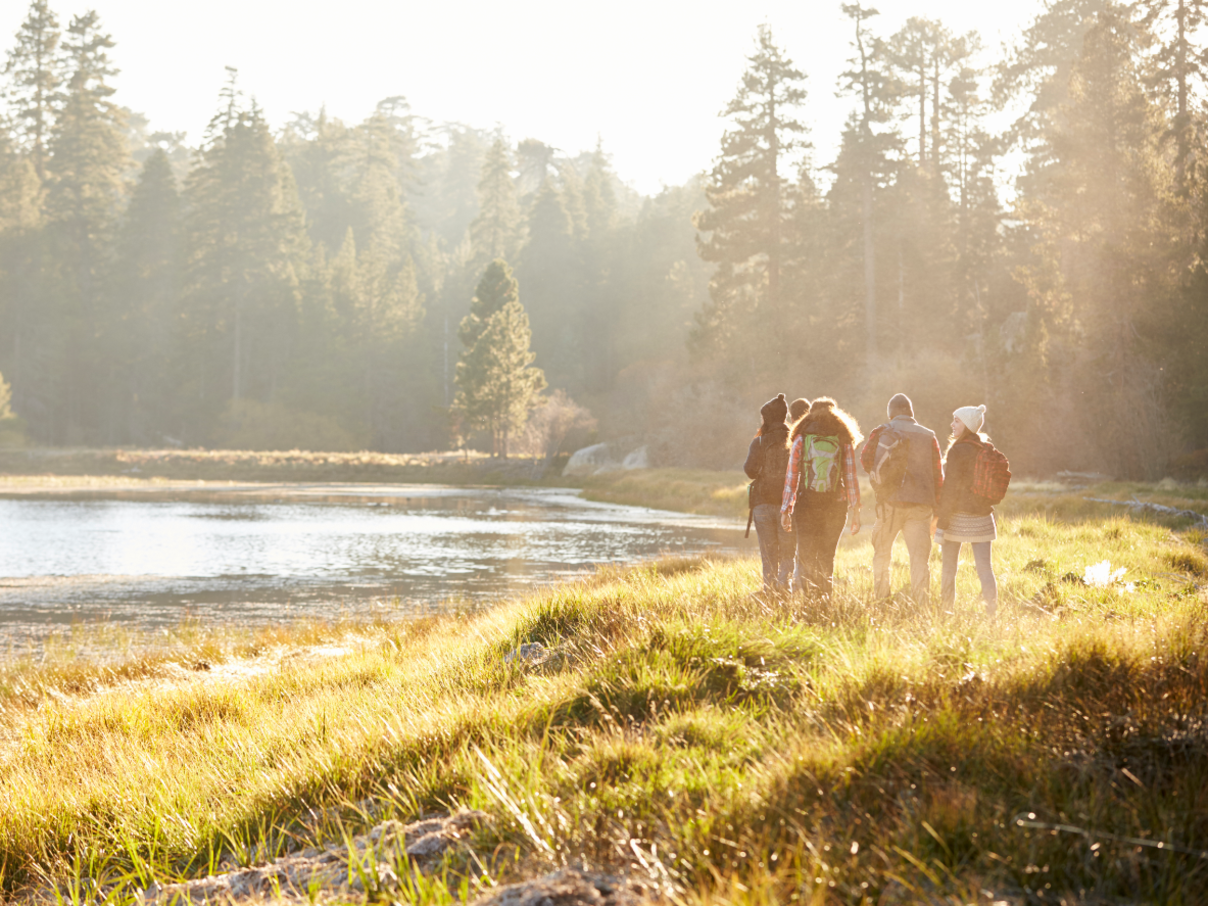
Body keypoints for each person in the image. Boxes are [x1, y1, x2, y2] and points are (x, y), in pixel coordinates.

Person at [860, 393, 943, 604]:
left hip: (890, 504)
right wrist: (938, 508)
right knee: (919, 559)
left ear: (890, 413)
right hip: (921, 507)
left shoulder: (883, 431)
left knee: (882, 553)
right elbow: (937, 474)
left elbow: (866, 460)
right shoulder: (929, 435)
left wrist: (883, 482)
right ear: (911, 412)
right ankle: (921, 606)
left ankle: (881, 601)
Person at [779, 398, 862, 599]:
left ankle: (808, 603)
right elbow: (850, 477)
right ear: (835, 414)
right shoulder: (843, 439)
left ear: (810, 414)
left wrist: (786, 509)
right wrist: (856, 511)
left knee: (806, 555)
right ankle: (824, 600)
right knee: (827, 556)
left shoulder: (801, 437)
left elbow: (792, 476)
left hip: (806, 505)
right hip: (835, 506)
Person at [936, 405, 998, 617]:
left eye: (957, 421)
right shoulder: (986, 449)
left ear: (968, 425)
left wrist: (941, 523)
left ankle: (947, 612)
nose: (952, 425)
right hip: (983, 517)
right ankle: (992, 613)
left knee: (948, 569)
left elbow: (950, 489)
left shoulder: (956, 451)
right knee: (985, 569)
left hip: (957, 518)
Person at [744, 393, 793, 594]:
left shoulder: (760, 442)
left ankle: (770, 592)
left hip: (763, 504)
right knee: (788, 550)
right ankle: (784, 588)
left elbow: (750, 471)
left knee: (768, 552)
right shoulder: (795, 440)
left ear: (768, 418)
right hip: (788, 505)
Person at [787, 397, 811, 591]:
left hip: (799, 500)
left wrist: (786, 506)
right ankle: (809, 586)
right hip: (818, 497)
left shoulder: (797, 437)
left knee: (797, 547)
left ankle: (796, 586)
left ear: (791, 416)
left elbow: (792, 475)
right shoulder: (818, 435)